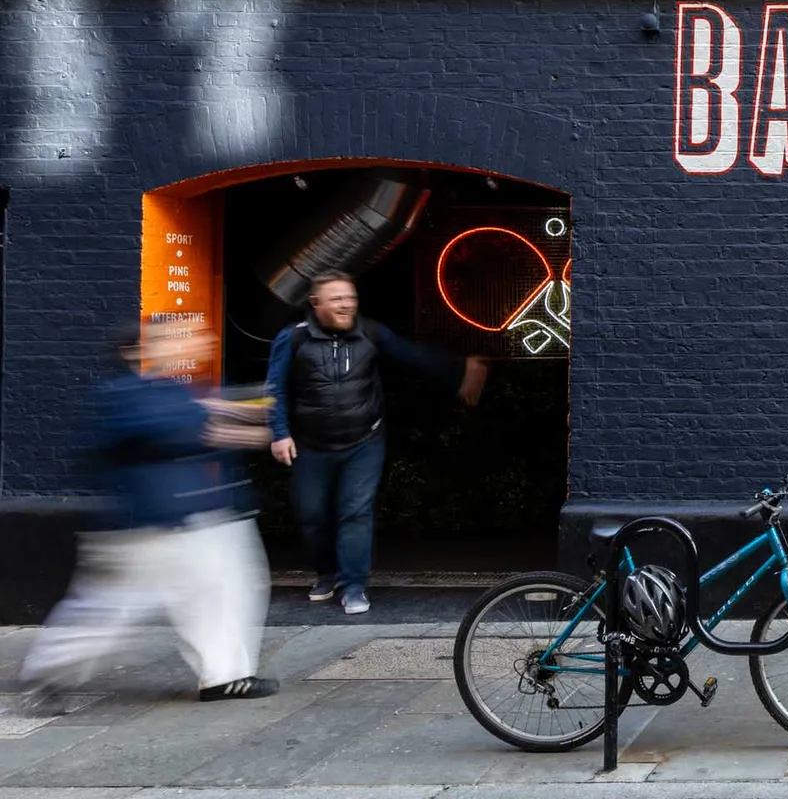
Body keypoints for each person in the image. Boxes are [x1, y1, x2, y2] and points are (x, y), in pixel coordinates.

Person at [21, 319, 278, 708]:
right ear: (140, 350)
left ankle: (225, 676)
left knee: (224, 588)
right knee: (109, 608)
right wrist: (231, 424)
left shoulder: (171, 391)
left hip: (193, 519)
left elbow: (198, 425)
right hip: (146, 528)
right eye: (179, 336)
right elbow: (175, 429)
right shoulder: (123, 393)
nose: (194, 342)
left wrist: (237, 422)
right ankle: (45, 673)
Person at [265, 271, 487, 615]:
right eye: (337, 298)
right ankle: (327, 574)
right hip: (311, 444)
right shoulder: (293, 338)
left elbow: (413, 356)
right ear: (315, 302)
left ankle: (354, 586)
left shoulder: (369, 332)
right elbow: (275, 387)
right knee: (312, 515)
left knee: (355, 512)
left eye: (350, 297)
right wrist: (279, 433)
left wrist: (461, 370)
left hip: (363, 441)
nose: (346, 304)